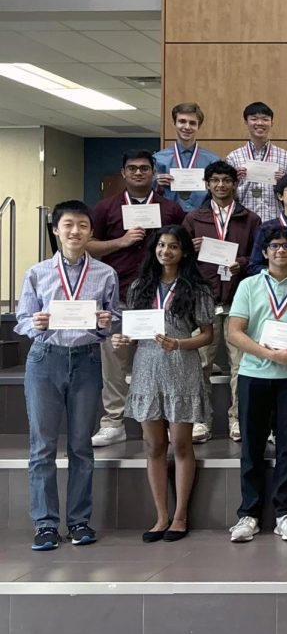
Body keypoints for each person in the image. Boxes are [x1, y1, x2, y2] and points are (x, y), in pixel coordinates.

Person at [17, 201, 119, 551]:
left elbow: (113, 318)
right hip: (46, 360)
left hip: (87, 361)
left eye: (82, 225)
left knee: (81, 446)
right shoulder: (37, 272)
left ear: (91, 232)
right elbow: (21, 319)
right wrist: (35, 323)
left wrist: (108, 323)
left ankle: (79, 521)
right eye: (68, 225)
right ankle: (45, 524)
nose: (75, 231)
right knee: (42, 447)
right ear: (56, 230)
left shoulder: (105, 273)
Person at [111, 226, 214, 542]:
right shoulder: (140, 286)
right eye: (161, 245)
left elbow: (208, 335)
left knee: (181, 445)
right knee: (153, 446)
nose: (165, 251)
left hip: (181, 366)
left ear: (184, 252)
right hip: (146, 368)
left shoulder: (196, 288)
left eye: (173, 246)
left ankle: (180, 516)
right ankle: (161, 517)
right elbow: (133, 331)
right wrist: (122, 338)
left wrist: (180, 344)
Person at [225, 224, 287, 543]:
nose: (280, 250)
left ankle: (286, 513)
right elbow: (235, 332)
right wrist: (268, 353)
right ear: (265, 252)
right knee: (252, 447)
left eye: (286, 246)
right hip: (254, 374)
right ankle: (248, 515)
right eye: (274, 246)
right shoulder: (249, 285)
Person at [87, 149, 186, 447]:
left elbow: (184, 247)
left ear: (154, 172)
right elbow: (89, 246)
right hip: (118, 294)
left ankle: (168, 418)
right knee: (115, 360)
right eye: (133, 168)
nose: (139, 173)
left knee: (163, 358)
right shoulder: (106, 208)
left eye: (145, 168)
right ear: (124, 173)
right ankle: (113, 421)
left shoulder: (170, 209)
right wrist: (122, 241)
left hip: (161, 297)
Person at [182, 160, 261, 442]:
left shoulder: (250, 219)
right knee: (200, 364)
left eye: (226, 180)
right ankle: (200, 420)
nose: (220, 185)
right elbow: (179, 260)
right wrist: (189, 251)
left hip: (239, 300)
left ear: (235, 184)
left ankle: (237, 418)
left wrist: (240, 262)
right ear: (207, 184)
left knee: (241, 365)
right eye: (214, 180)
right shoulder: (194, 218)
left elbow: (258, 258)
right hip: (204, 300)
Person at [224, 101, 287, 222]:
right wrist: (234, 181)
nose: (260, 123)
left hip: (276, 221)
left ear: (272, 123)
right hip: (242, 222)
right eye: (254, 119)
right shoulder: (233, 157)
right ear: (246, 122)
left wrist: (283, 184)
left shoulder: (286, 157)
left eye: (265, 119)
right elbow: (225, 195)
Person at [154, 102, 220, 212]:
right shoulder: (158, 159)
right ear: (174, 124)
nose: (187, 127)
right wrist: (157, 185)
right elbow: (148, 194)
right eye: (182, 121)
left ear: (199, 126)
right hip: (169, 219)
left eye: (192, 123)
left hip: (202, 218)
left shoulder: (212, 161)